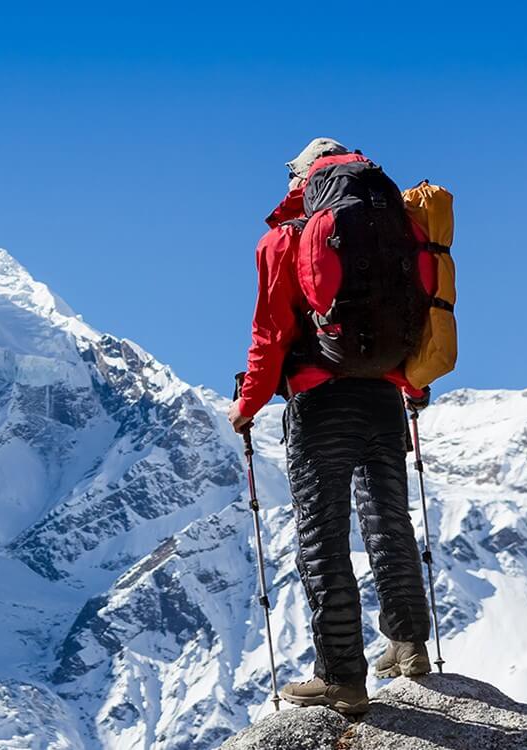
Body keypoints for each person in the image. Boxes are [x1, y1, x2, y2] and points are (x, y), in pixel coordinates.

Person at [228, 138, 432, 714]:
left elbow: (269, 333)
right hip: (386, 398)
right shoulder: (398, 225)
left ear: (300, 179)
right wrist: (413, 387)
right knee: (389, 523)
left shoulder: (287, 237)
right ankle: (409, 648)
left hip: (321, 405)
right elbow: (415, 310)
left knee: (323, 540)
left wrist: (247, 404)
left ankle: (341, 677)